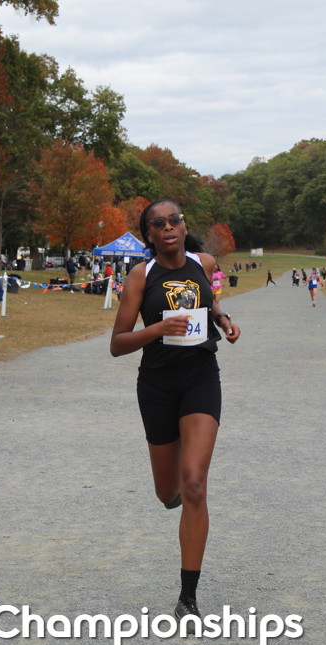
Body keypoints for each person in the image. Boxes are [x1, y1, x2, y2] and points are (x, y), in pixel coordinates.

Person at [109, 200, 241, 620]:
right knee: (168, 492)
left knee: (196, 482)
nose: (168, 227)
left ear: (184, 227)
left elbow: (209, 303)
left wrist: (222, 319)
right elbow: (117, 344)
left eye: (174, 220)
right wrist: (158, 329)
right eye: (158, 223)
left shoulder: (204, 262)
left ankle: (188, 597)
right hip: (157, 386)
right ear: (149, 235)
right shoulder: (140, 276)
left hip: (200, 377)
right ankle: (177, 492)